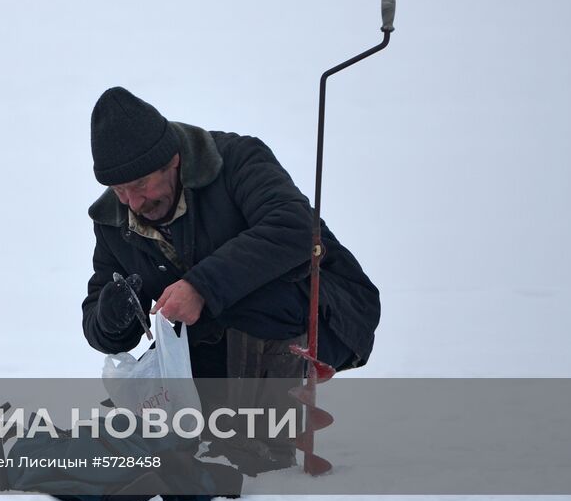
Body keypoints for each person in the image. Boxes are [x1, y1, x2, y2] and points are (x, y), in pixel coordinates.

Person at [82, 87, 379, 381]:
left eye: (140, 184)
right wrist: (110, 317)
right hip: (213, 341)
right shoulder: (112, 222)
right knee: (156, 379)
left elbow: (295, 227)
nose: (133, 203)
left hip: (322, 312)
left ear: (173, 160)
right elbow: (97, 319)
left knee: (248, 308)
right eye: (120, 190)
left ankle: (256, 423)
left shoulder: (236, 159)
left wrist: (200, 287)